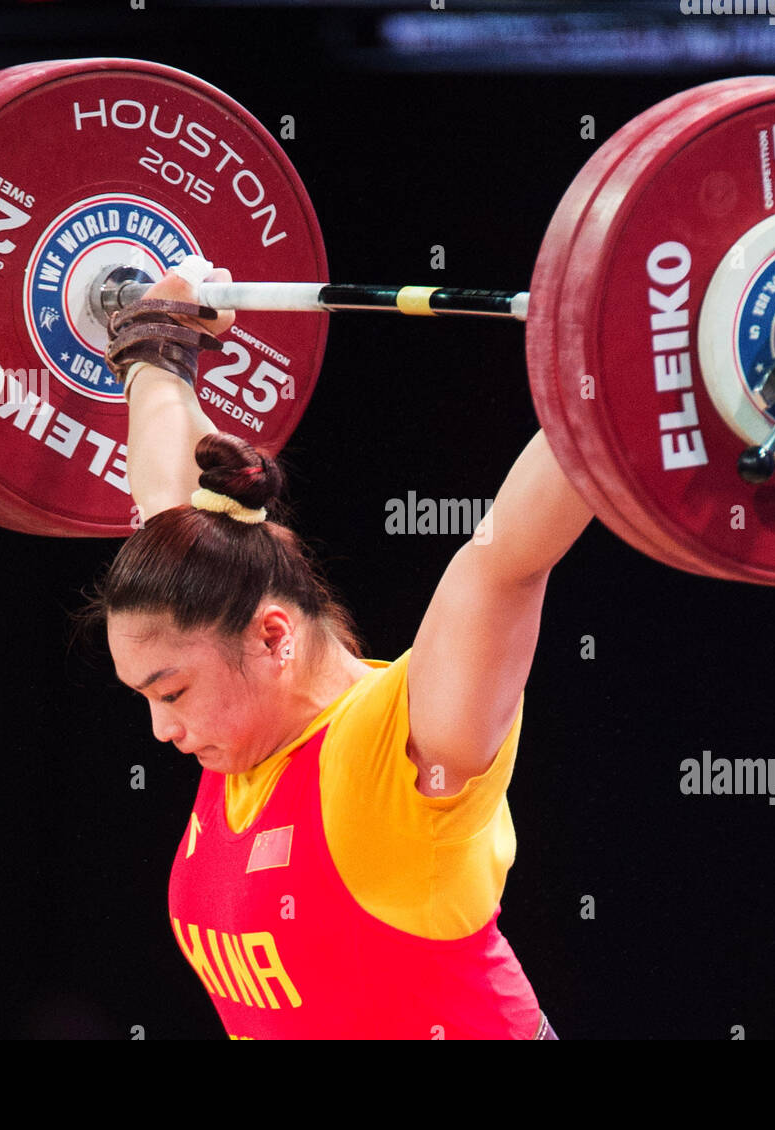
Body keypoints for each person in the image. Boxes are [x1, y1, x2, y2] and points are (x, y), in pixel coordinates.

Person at [80, 259, 594, 1039]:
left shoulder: (390, 757)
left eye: (171, 691)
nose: (160, 730)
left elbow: (505, 564)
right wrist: (157, 348)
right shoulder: (246, 735)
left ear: (272, 636)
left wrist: (614, 381)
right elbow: (168, 505)